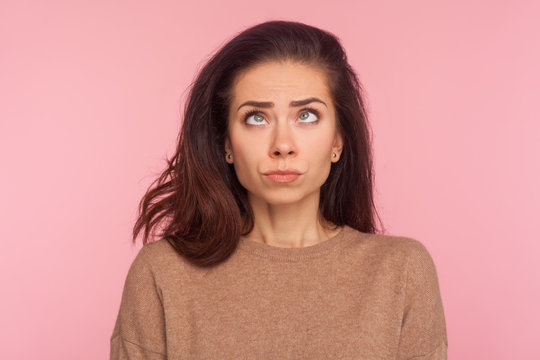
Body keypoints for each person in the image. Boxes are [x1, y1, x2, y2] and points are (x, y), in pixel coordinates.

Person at [110, 20, 448, 359]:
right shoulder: (163, 275)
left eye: (307, 115)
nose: (283, 145)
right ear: (226, 143)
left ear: (338, 141)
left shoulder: (402, 272)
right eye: (256, 117)